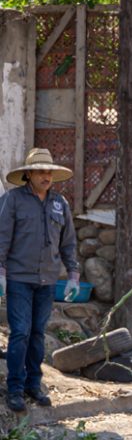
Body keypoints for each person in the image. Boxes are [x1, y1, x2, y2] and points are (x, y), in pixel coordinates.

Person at [0, 148, 80, 412]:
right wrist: (0, 272)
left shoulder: (60, 203)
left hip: (47, 280)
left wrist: (73, 275)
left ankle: (33, 386)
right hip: (19, 278)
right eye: (41, 171)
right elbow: (2, 237)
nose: (47, 176)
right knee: (20, 332)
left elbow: (68, 242)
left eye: (49, 171)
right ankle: (14, 389)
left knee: (37, 334)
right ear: (29, 174)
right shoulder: (13, 200)